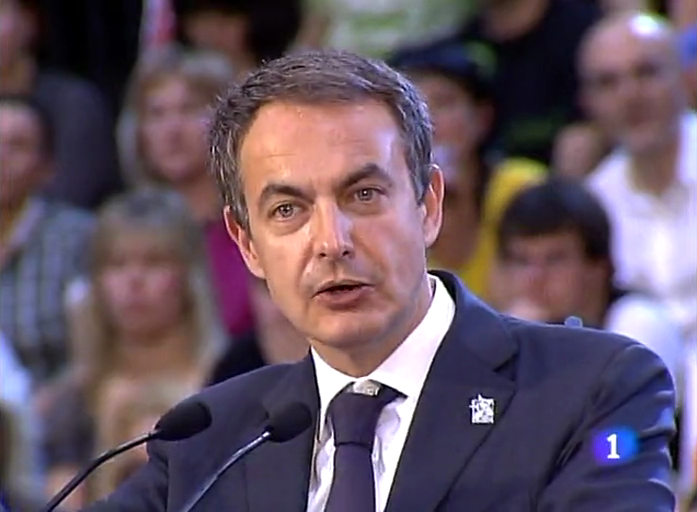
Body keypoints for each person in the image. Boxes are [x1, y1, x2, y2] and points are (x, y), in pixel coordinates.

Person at [80, 50, 676, 512]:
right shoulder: (208, 440)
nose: (331, 240)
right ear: (248, 245)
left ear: (428, 205)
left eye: (363, 195)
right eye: (287, 210)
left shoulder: (592, 390)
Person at [496, 178, 683, 393]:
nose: (535, 277)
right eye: (522, 261)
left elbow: (615, 408)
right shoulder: (504, 332)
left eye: (554, 259)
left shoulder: (640, 321)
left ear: (598, 267)